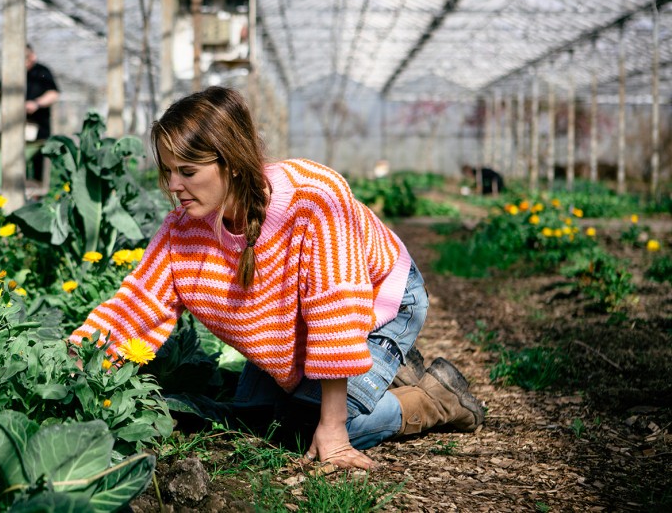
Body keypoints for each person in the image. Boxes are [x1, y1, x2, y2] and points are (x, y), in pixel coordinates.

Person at [69, 86, 484, 470]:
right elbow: (137, 304)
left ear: (230, 163)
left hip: (377, 300)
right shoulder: (182, 229)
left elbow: (334, 314)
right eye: (168, 171)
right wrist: (72, 364)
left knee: (307, 431)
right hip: (297, 325)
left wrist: (335, 429)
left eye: (188, 171)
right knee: (254, 416)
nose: (174, 185)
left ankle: (433, 399)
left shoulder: (312, 199)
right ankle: (384, 371)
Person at [0, 44, 60, 180]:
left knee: (37, 157)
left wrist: (36, 104)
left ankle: (38, 190)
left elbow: (53, 94)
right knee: (12, 156)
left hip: (38, 125)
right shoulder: (11, 72)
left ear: (32, 57)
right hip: (15, 124)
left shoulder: (42, 71)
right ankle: (11, 183)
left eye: (25, 60)